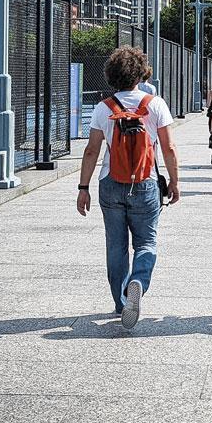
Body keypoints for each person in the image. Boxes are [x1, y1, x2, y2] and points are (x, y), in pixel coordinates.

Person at [76, 46, 180, 329]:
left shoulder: (103, 108)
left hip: (110, 183)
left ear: (112, 75)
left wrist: (82, 187)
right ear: (140, 74)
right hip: (145, 183)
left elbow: (91, 151)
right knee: (146, 241)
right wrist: (174, 181)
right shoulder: (155, 104)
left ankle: (121, 302)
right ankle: (138, 281)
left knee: (116, 246)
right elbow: (168, 148)